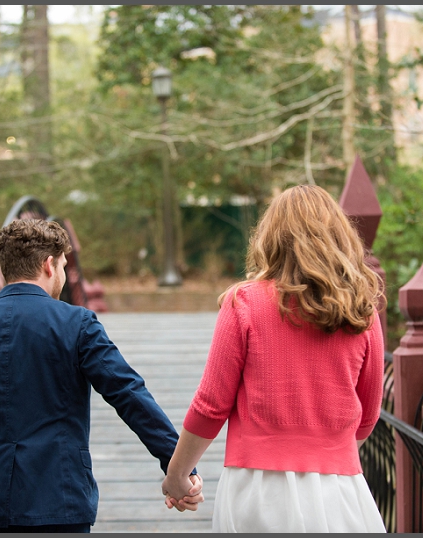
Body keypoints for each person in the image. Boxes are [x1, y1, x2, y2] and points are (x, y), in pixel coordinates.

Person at [0, 219, 202, 533]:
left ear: (4, 270)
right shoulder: (77, 324)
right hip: (61, 500)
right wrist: (178, 468)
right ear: (48, 265)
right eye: (64, 266)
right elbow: (128, 394)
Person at [161, 185, 386, 533]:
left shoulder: (245, 303)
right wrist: (324, 453)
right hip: (341, 492)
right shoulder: (362, 313)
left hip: (259, 490)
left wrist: (177, 476)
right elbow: (368, 417)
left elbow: (211, 405)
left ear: (271, 238)